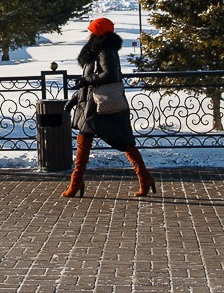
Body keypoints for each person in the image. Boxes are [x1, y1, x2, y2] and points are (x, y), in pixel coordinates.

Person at [62, 17, 156, 198]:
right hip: (90, 105)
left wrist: (86, 81)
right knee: (84, 142)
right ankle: (76, 181)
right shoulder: (95, 50)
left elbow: (110, 74)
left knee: (124, 142)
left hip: (101, 107)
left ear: (97, 32)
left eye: (90, 29)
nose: (87, 32)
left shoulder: (104, 50)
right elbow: (89, 81)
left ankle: (144, 177)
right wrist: (75, 99)